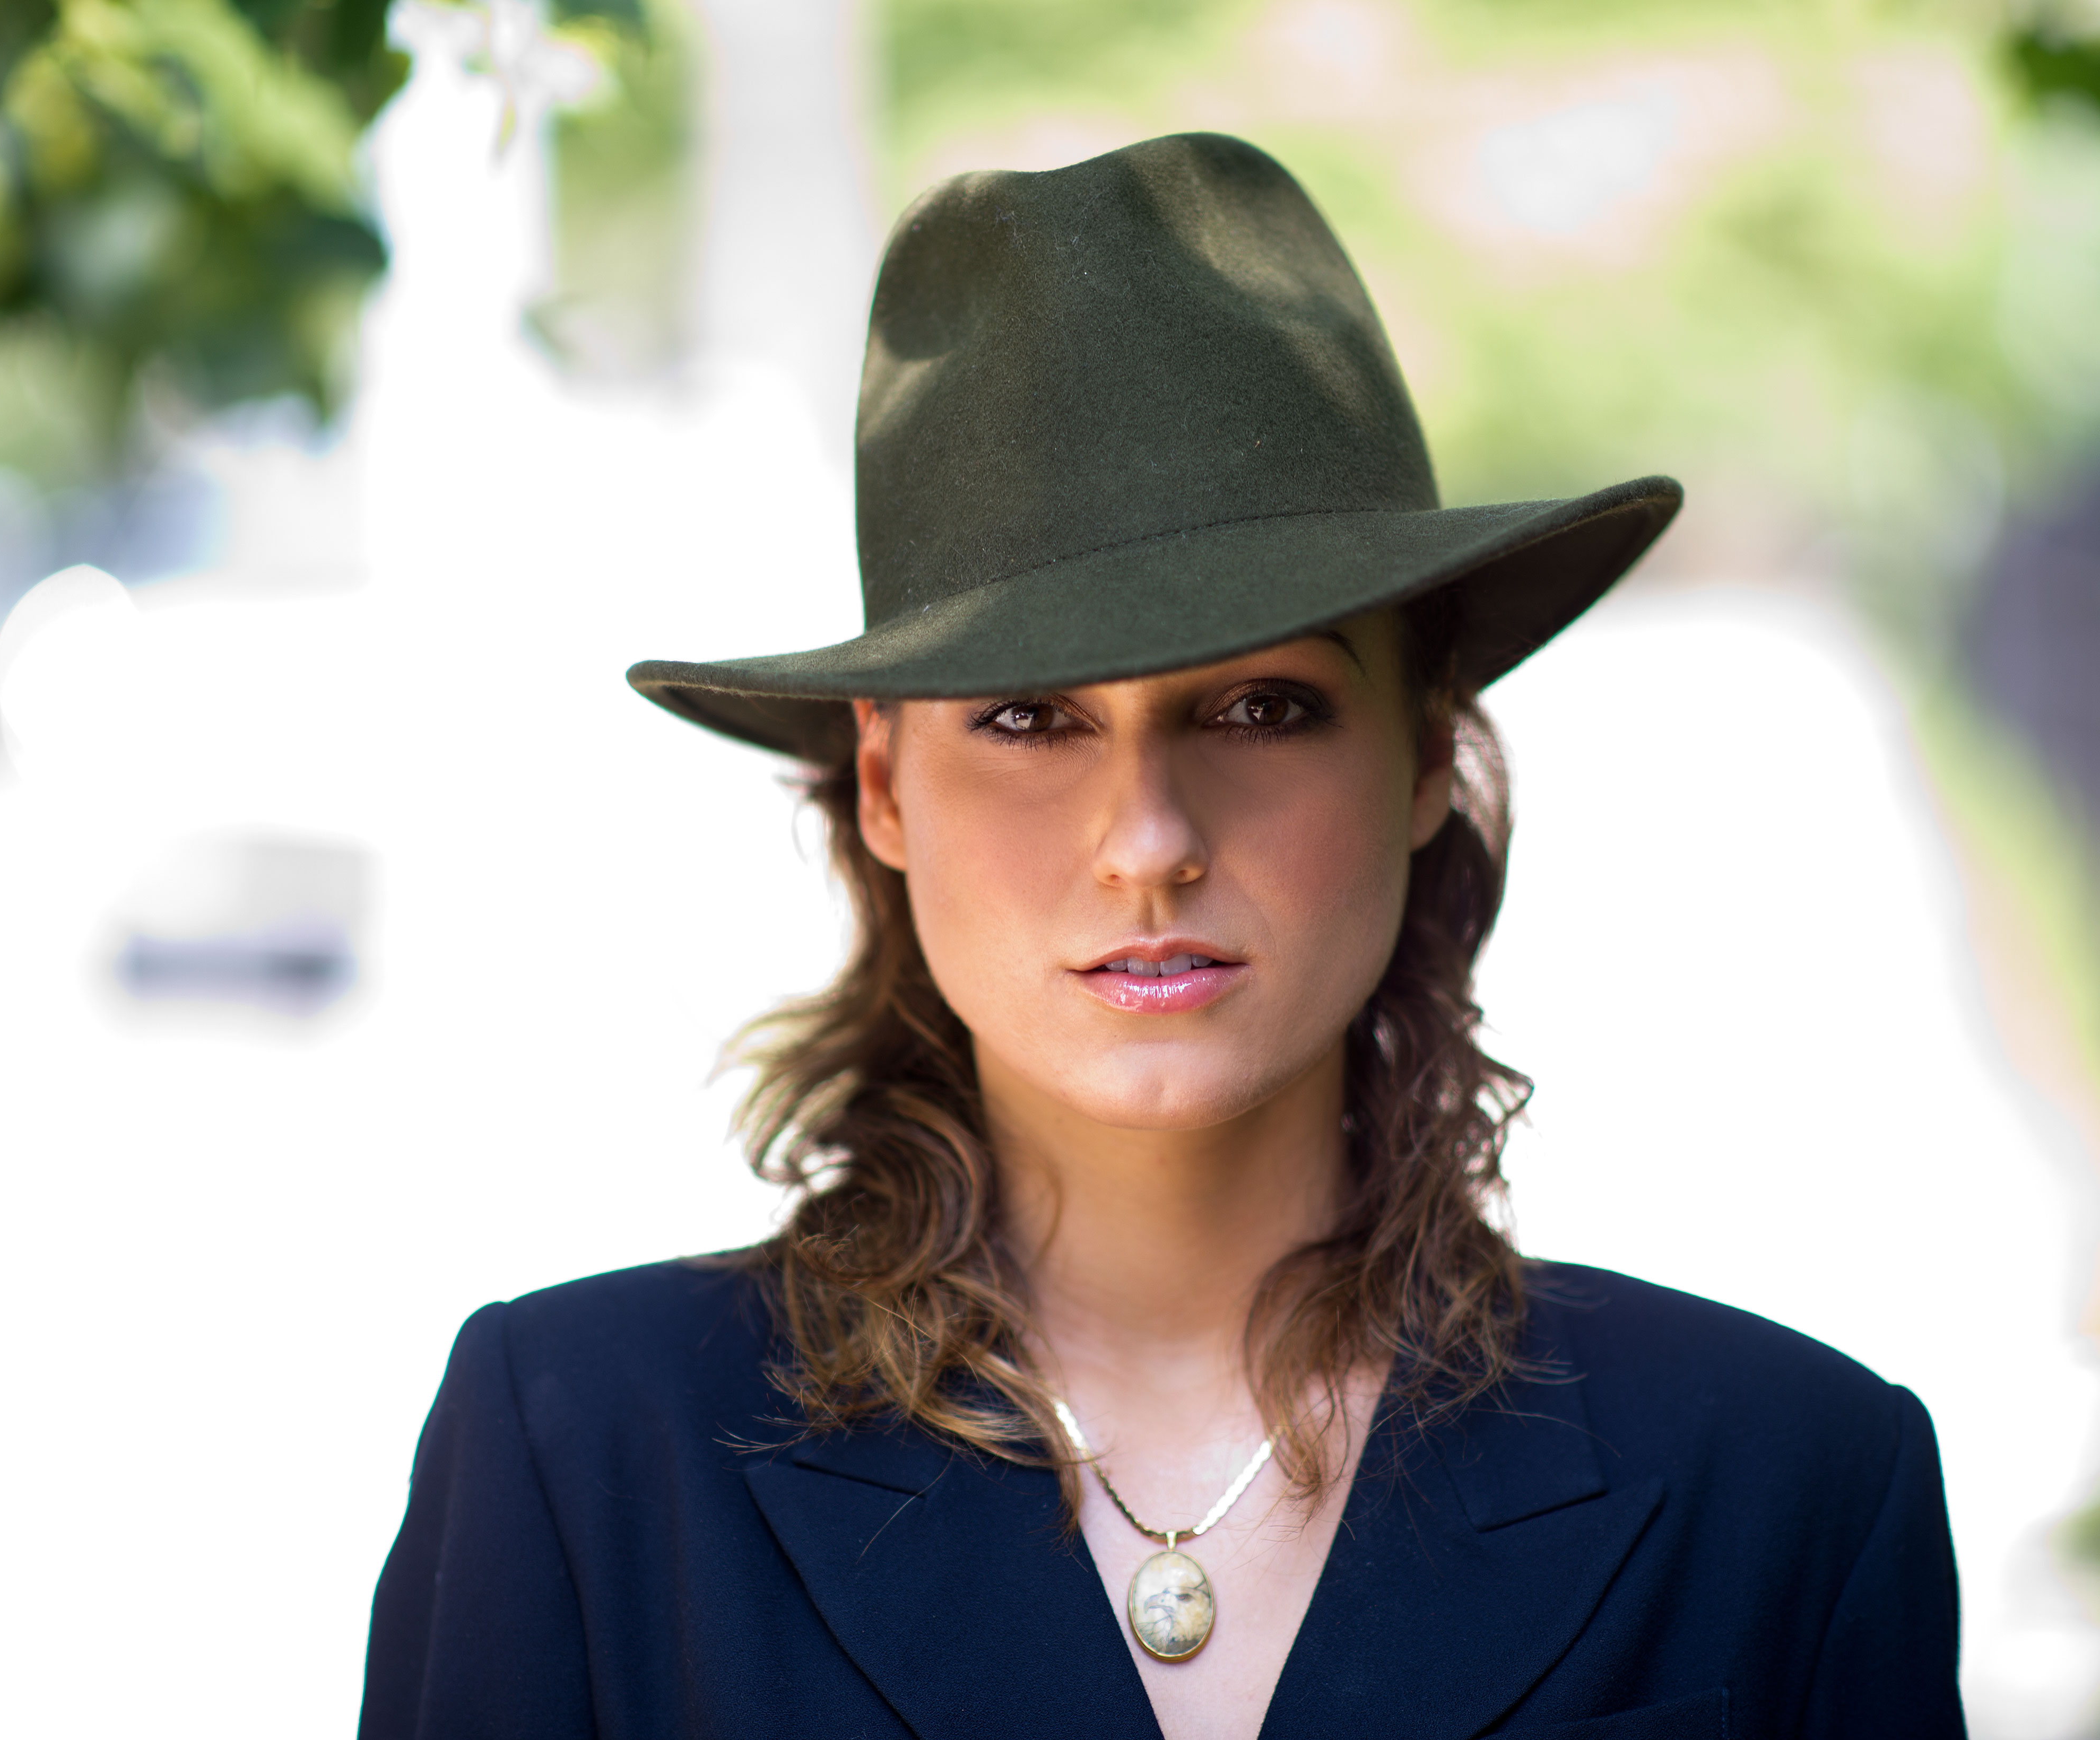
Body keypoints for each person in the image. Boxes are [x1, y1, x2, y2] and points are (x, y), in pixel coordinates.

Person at [358, 134, 1963, 1740]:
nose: (1148, 841)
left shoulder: (1787, 1486)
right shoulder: (583, 1454)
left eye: (1264, 707)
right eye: (1030, 717)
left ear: (1422, 758)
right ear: (882, 783)